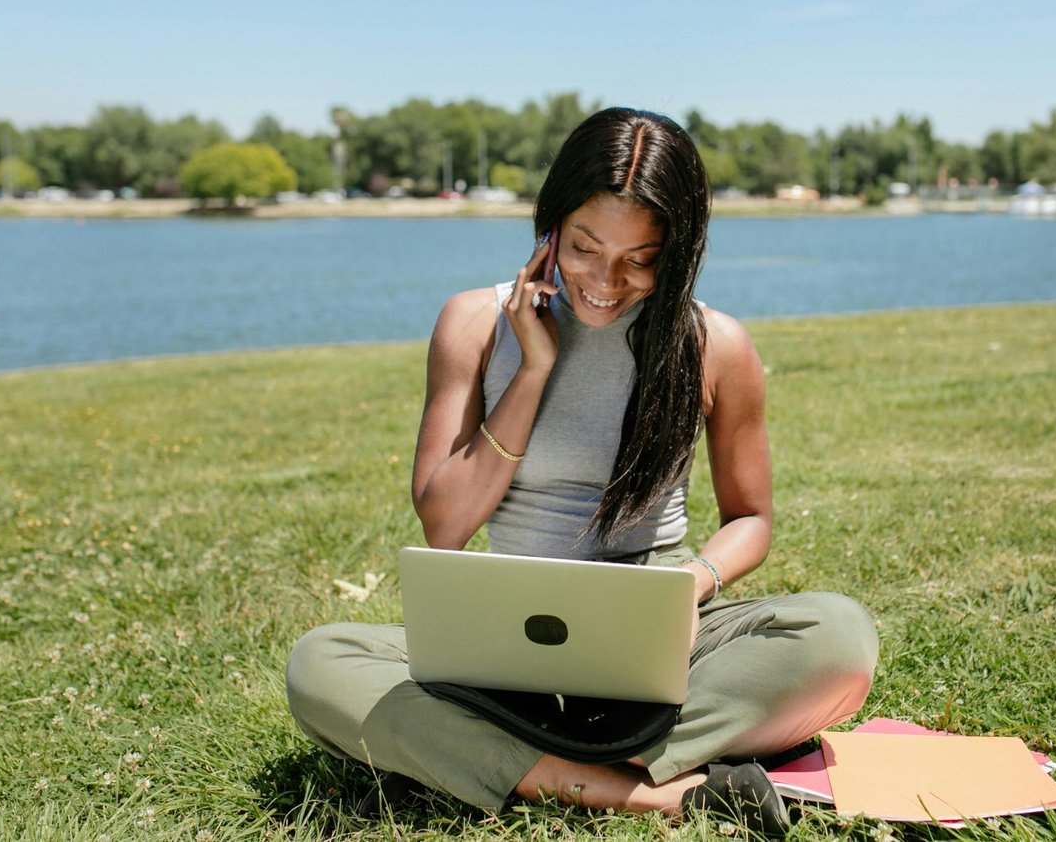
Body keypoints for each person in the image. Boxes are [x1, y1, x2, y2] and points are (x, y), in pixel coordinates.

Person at [286, 107, 878, 834]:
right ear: (550, 225)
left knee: (839, 638)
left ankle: (514, 764)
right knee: (321, 662)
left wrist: (688, 589)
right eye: (584, 247)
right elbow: (444, 521)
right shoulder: (473, 323)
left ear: (679, 249)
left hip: (663, 629)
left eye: (640, 258)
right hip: (508, 639)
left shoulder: (715, 344)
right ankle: (651, 789)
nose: (606, 280)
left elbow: (751, 519)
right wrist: (533, 368)